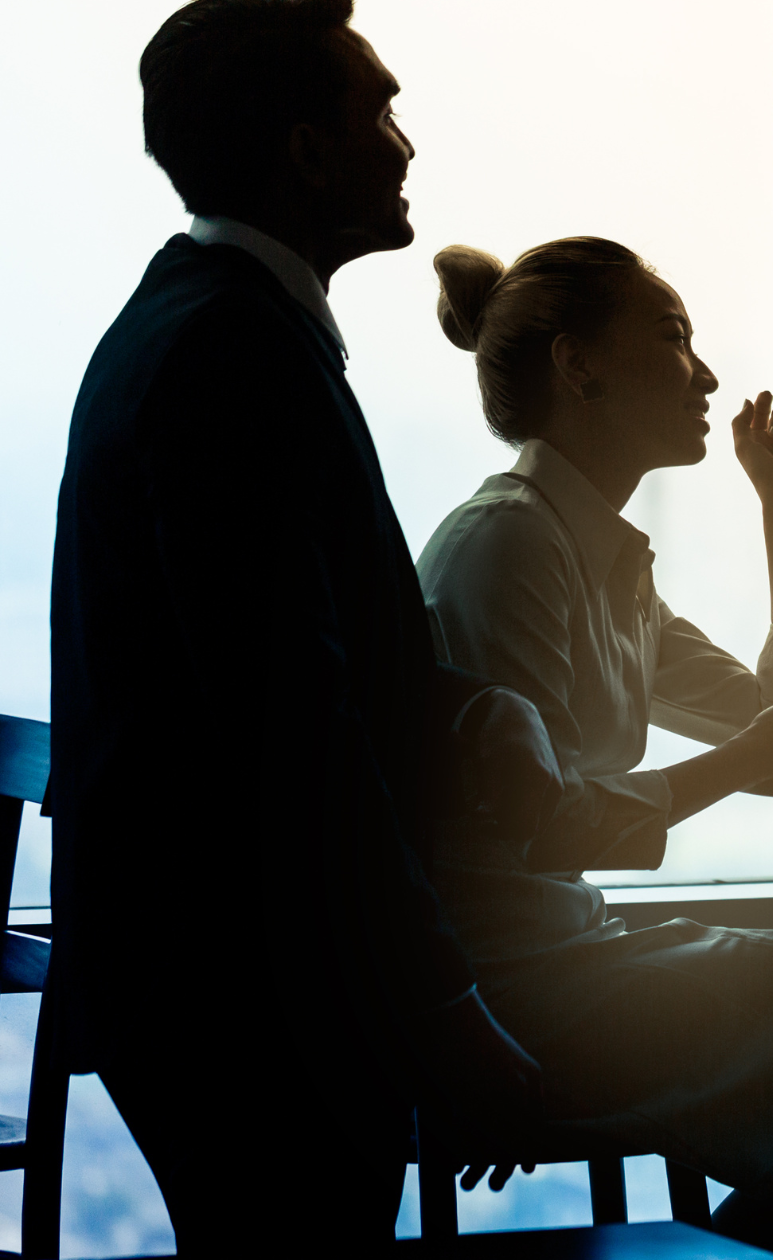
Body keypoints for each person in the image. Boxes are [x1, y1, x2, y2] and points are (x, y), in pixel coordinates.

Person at [48, 0, 556, 1249]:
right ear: (306, 151)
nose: (405, 143)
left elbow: (284, 659)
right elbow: (296, 729)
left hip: (211, 980)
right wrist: (438, 1005)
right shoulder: (234, 354)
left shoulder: (199, 327)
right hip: (250, 995)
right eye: (376, 108)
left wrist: (470, 706)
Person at [413, 237, 773, 1260]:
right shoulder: (509, 547)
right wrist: (751, 756)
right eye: (673, 339)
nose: (706, 374)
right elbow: (547, 829)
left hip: (564, 947)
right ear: (577, 365)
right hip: (506, 984)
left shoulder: (599, 558)